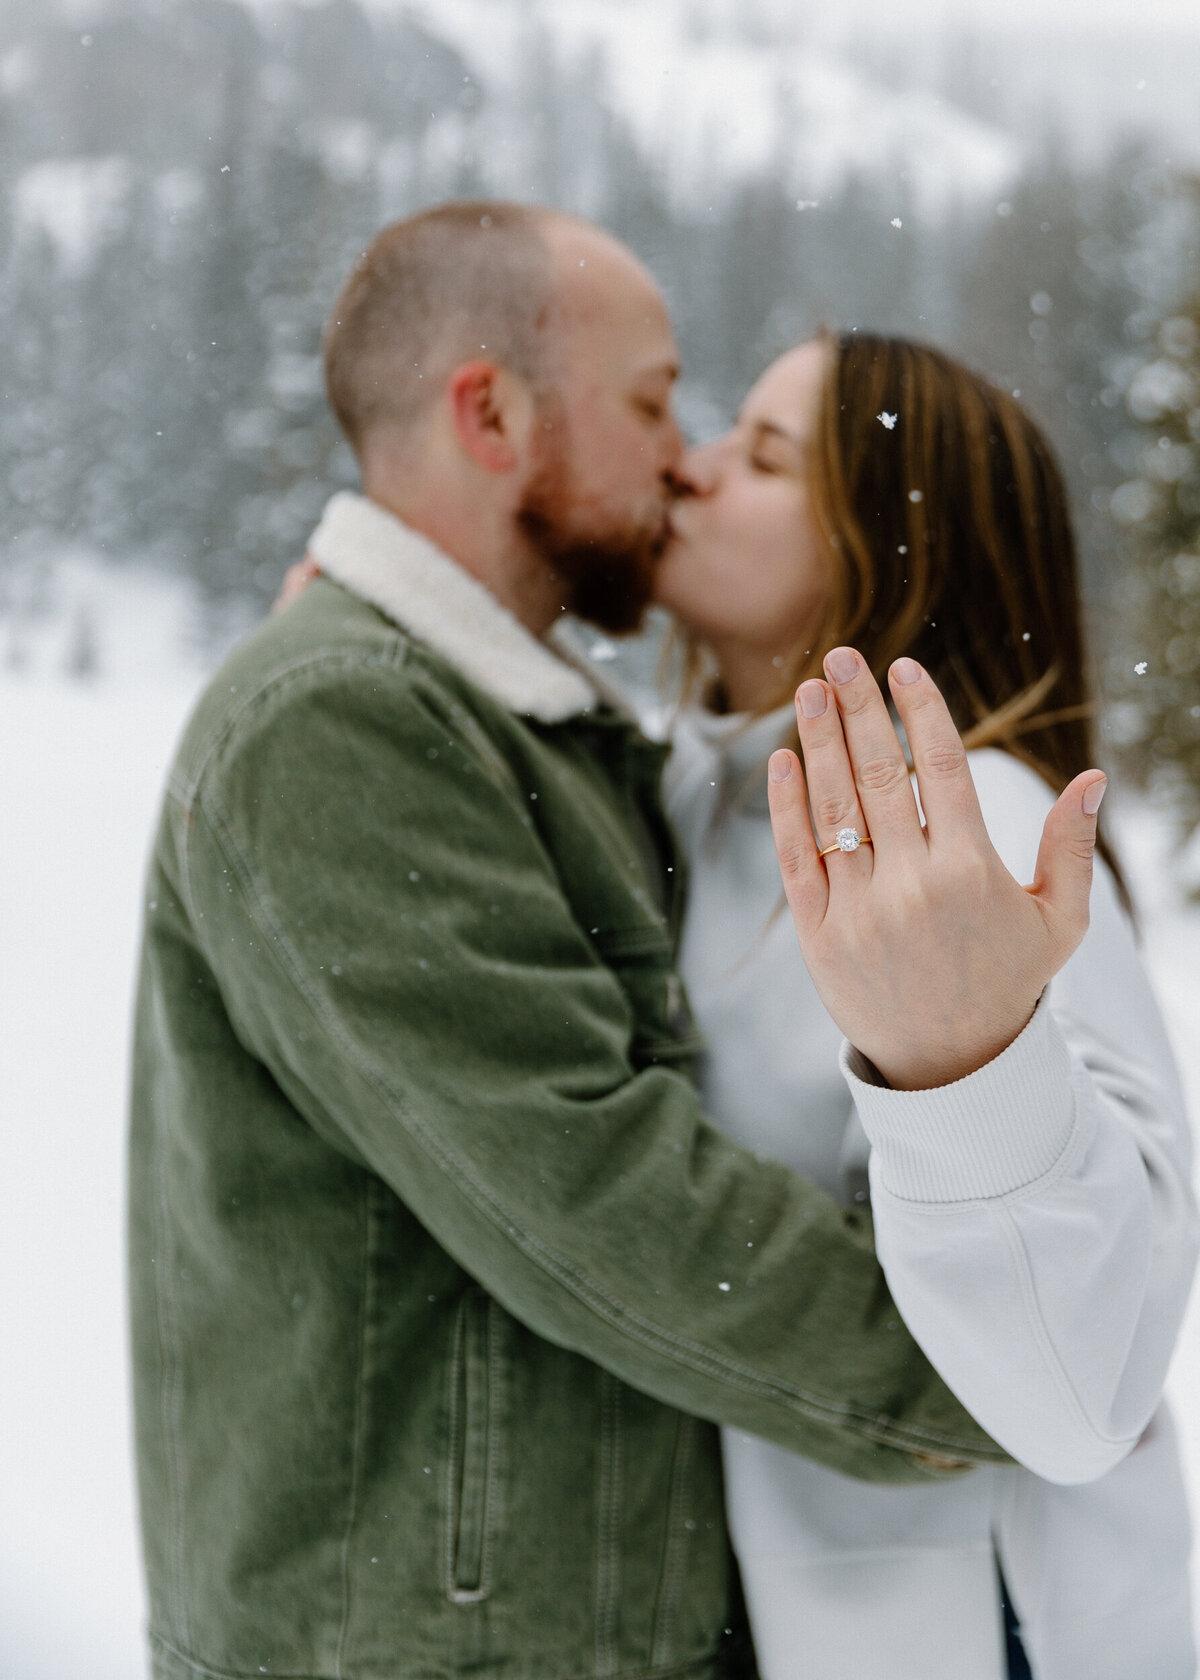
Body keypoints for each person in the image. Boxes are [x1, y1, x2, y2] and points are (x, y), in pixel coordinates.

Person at [130, 202, 1112, 1680]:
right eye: (652, 400)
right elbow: (595, 1195)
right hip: (417, 1646)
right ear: (490, 411)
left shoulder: (509, 724)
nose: (679, 456)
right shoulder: (338, 721)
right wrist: (1002, 1383)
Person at [651, 331, 1199, 1679]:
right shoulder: (707, 794)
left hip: (993, 1627)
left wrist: (967, 1067)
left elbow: (1090, 1386)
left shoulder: (983, 842)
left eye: (765, 455)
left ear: (884, 548)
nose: (694, 466)